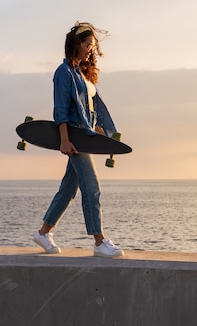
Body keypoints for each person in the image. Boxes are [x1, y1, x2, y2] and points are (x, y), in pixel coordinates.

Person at [33, 21, 124, 258]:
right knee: (91, 187)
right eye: (88, 45)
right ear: (77, 44)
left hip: (84, 136)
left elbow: (91, 108)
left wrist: (100, 130)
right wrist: (64, 139)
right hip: (74, 137)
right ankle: (99, 241)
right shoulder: (63, 73)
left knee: (68, 190)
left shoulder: (81, 74)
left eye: (93, 46)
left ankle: (43, 233)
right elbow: (61, 109)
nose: (91, 50)